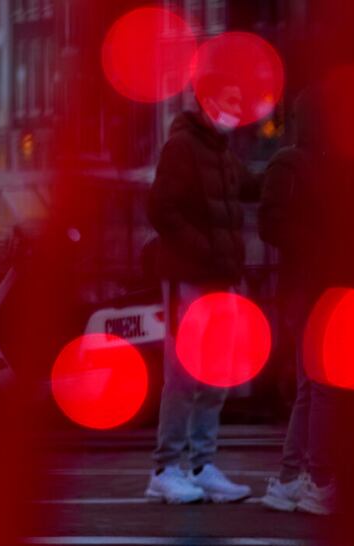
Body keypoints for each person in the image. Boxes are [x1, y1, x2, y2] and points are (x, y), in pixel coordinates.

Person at [145, 73, 260, 504]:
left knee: (214, 376)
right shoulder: (182, 149)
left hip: (218, 278)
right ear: (206, 101)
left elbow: (249, 187)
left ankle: (200, 464)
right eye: (229, 98)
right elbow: (160, 208)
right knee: (183, 375)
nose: (235, 108)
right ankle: (166, 467)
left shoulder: (220, 153)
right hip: (191, 277)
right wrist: (205, 249)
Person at [257, 87, 336, 515]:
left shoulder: (309, 163)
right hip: (309, 284)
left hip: (315, 283)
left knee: (313, 385)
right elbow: (271, 223)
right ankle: (306, 478)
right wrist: (321, 246)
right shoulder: (292, 163)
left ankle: (293, 477)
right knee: (321, 385)